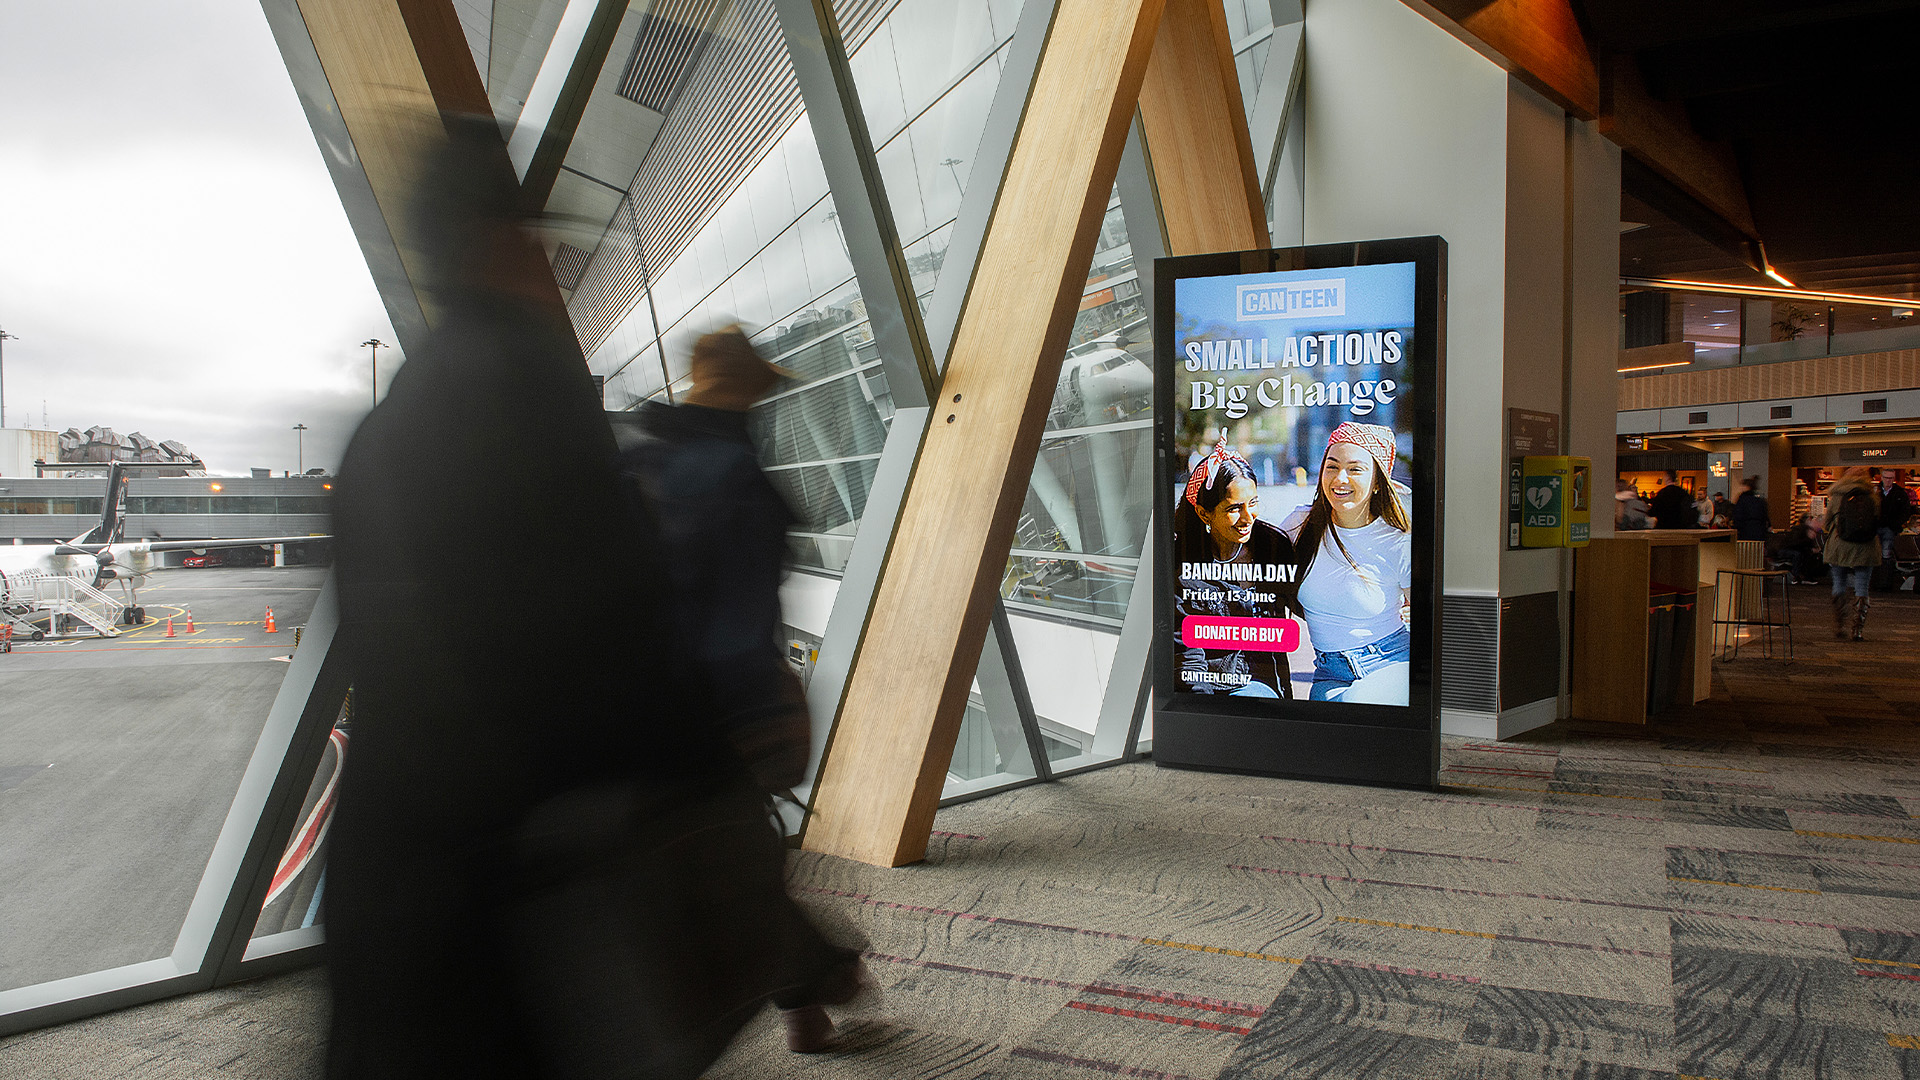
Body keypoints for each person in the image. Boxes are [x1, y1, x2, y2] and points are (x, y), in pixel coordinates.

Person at [326, 117, 825, 1080]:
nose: (546, 260)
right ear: (496, 240)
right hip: (534, 867)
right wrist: (711, 766)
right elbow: (610, 628)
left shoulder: (384, 433)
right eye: (531, 236)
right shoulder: (525, 395)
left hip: (400, 863)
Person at [615, 326, 866, 1052]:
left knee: (730, 848)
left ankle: (807, 1001)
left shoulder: (642, 458)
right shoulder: (734, 474)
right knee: (736, 854)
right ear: (747, 395)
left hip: (642, 695)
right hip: (715, 703)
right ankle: (816, 983)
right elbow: (736, 622)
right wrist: (765, 710)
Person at [1281, 422, 1411, 703]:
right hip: (1330, 673)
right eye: (1332, 466)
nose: (1340, 478)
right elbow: (1249, 563)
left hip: (1392, 663)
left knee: (1353, 708)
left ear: (1377, 481)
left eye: (1355, 469)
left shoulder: (1398, 539)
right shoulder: (1299, 525)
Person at [1171, 439, 1300, 697]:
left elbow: (1306, 605)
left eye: (1253, 502)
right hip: (1211, 687)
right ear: (1204, 513)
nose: (1248, 517)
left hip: (1266, 686)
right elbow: (1186, 654)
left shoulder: (1273, 546)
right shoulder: (1180, 560)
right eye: (1233, 508)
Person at [1823, 466, 1881, 640]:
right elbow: (1877, 520)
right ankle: (1857, 630)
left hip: (1840, 545)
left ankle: (1840, 625)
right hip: (1866, 547)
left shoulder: (1837, 495)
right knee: (1862, 586)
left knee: (1839, 582)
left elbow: (1827, 523)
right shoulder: (1872, 496)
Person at [1878, 469, 1914, 561]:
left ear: (1894, 479)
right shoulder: (1874, 492)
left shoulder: (1900, 493)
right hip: (1875, 528)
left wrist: (1896, 523)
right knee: (1876, 554)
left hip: (1891, 528)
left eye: (1890, 478)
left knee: (1886, 553)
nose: (1888, 480)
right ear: (1882, 478)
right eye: (1886, 478)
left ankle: (1884, 572)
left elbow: (1906, 511)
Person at [1730, 476, 1770, 541]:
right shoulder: (1760, 501)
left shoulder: (1742, 500)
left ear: (1747, 487)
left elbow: (1738, 516)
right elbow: (1765, 516)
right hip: (1759, 531)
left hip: (1745, 531)